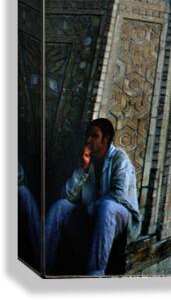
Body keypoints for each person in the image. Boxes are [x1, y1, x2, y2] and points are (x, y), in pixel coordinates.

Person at [46, 118, 140, 277]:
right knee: (60, 206)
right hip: (93, 220)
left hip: (120, 221)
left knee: (107, 206)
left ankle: (95, 274)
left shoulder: (119, 157)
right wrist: (83, 169)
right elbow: (67, 195)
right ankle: (44, 264)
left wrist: (90, 209)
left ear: (106, 140)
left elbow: (119, 195)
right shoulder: (88, 160)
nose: (88, 140)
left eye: (94, 136)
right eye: (87, 135)